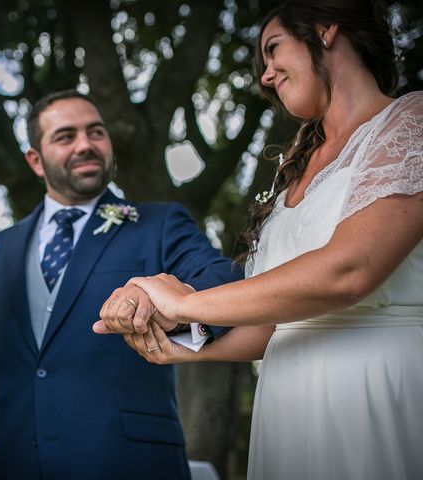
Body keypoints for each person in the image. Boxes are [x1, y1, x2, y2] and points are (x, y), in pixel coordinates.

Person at [95, 1, 423, 479]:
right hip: (287, 408)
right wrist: (179, 339)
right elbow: (270, 324)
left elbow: (350, 268)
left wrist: (187, 302)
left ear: (326, 30)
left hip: (374, 388)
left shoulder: (409, 123)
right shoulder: (293, 169)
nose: (266, 76)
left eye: (273, 50)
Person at [0, 89, 242, 479]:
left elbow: (223, 279)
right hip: (13, 465)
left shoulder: (159, 224)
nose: (85, 145)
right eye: (66, 136)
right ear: (35, 160)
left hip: (130, 464)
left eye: (96, 132)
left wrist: (168, 307)